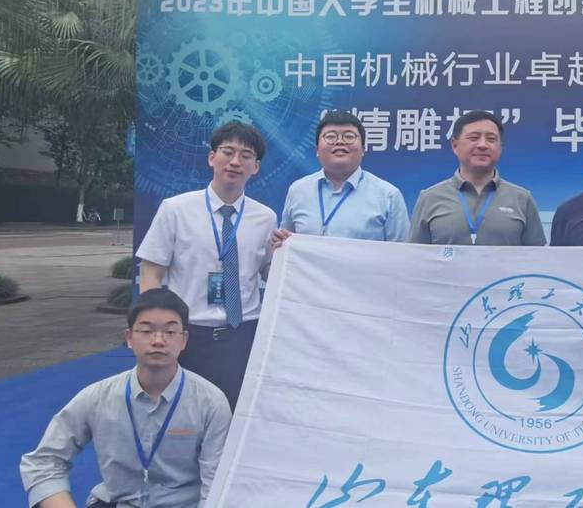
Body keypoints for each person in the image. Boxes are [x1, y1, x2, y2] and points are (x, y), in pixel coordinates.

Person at [20, 289, 231, 508]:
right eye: (146, 331)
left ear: (184, 340)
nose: (158, 340)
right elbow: (43, 462)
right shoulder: (98, 397)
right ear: (129, 338)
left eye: (170, 332)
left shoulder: (211, 402)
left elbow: (216, 484)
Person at [137, 121, 277, 409]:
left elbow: (270, 273)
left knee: (236, 414)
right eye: (228, 152)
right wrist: (154, 329)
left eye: (246, 155)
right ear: (212, 157)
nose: (235, 161)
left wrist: (286, 252)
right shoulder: (175, 209)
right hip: (189, 335)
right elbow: (151, 271)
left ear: (255, 167)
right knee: (182, 414)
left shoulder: (266, 218)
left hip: (243, 335)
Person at [409, 110, 546, 246]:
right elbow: (415, 255)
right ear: (455, 145)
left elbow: (537, 256)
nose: (482, 145)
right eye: (473, 138)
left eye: (491, 139)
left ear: (500, 148)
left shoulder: (522, 199)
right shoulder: (429, 198)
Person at [272, 111, 409, 247]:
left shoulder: (388, 196)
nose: (339, 141)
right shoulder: (298, 190)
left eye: (349, 137)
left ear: (363, 149)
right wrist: (279, 241)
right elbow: (286, 243)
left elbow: (403, 254)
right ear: (317, 150)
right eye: (330, 137)